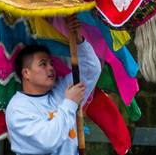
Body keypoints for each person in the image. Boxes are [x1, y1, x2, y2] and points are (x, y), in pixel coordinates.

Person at [5, 24, 101, 155]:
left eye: (51, 63)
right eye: (43, 64)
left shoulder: (60, 91)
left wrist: (78, 40)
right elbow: (47, 141)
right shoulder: (17, 108)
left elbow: (91, 69)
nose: (50, 68)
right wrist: (70, 103)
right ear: (26, 73)